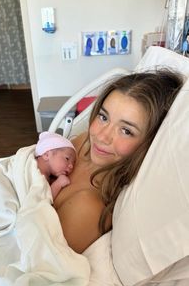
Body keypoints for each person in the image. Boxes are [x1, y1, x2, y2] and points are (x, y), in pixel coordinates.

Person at [53, 68, 183, 254]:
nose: (102, 136)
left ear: (148, 144)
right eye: (104, 117)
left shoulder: (88, 208)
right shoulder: (84, 143)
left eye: (126, 130)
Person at [35, 131, 76, 199]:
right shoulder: (39, 172)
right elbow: (40, 200)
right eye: (67, 158)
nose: (71, 166)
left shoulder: (42, 172)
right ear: (46, 155)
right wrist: (58, 184)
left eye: (73, 163)